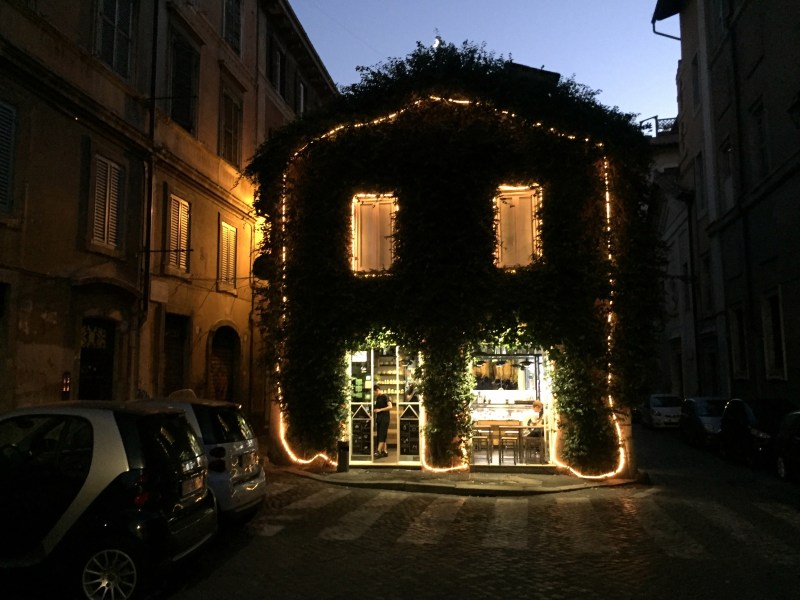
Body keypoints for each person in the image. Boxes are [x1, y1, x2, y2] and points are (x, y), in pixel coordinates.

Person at [373, 384, 392, 459]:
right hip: (379, 418)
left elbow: (390, 406)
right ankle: (385, 451)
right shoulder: (378, 398)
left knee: (382, 434)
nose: (374, 394)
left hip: (385, 418)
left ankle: (378, 451)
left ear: (377, 390)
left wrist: (380, 410)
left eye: (374, 392)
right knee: (382, 434)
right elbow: (377, 408)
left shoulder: (385, 396)